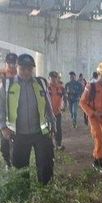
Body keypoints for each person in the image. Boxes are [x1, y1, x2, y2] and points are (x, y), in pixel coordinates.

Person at [0, 54, 56, 184]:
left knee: (45, 164)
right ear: (17, 67)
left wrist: (53, 126)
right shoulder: (7, 84)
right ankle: (23, 194)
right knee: (20, 167)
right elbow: (1, 106)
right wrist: (3, 126)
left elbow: (48, 106)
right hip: (18, 134)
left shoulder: (40, 83)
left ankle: (45, 191)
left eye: (29, 69)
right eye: (23, 68)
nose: (26, 72)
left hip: (41, 133)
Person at [0, 53, 18, 169]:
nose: (11, 65)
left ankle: (15, 162)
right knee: (4, 140)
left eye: (13, 63)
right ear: (6, 62)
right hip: (3, 110)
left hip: (16, 113)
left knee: (16, 141)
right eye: (9, 62)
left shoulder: (20, 75)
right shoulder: (1, 74)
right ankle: (8, 162)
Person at [48, 71, 67, 150]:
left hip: (57, 112)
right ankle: (50, 144)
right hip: (48, 113)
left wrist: (63, 106)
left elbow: (65, 99)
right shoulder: (46, 87)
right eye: (52, 78)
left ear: (57, 78)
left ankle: (58, 144)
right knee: (48, 129)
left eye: (55, 78)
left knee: (58, 128)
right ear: (49, 78)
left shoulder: (61, 88)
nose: (53, 79)